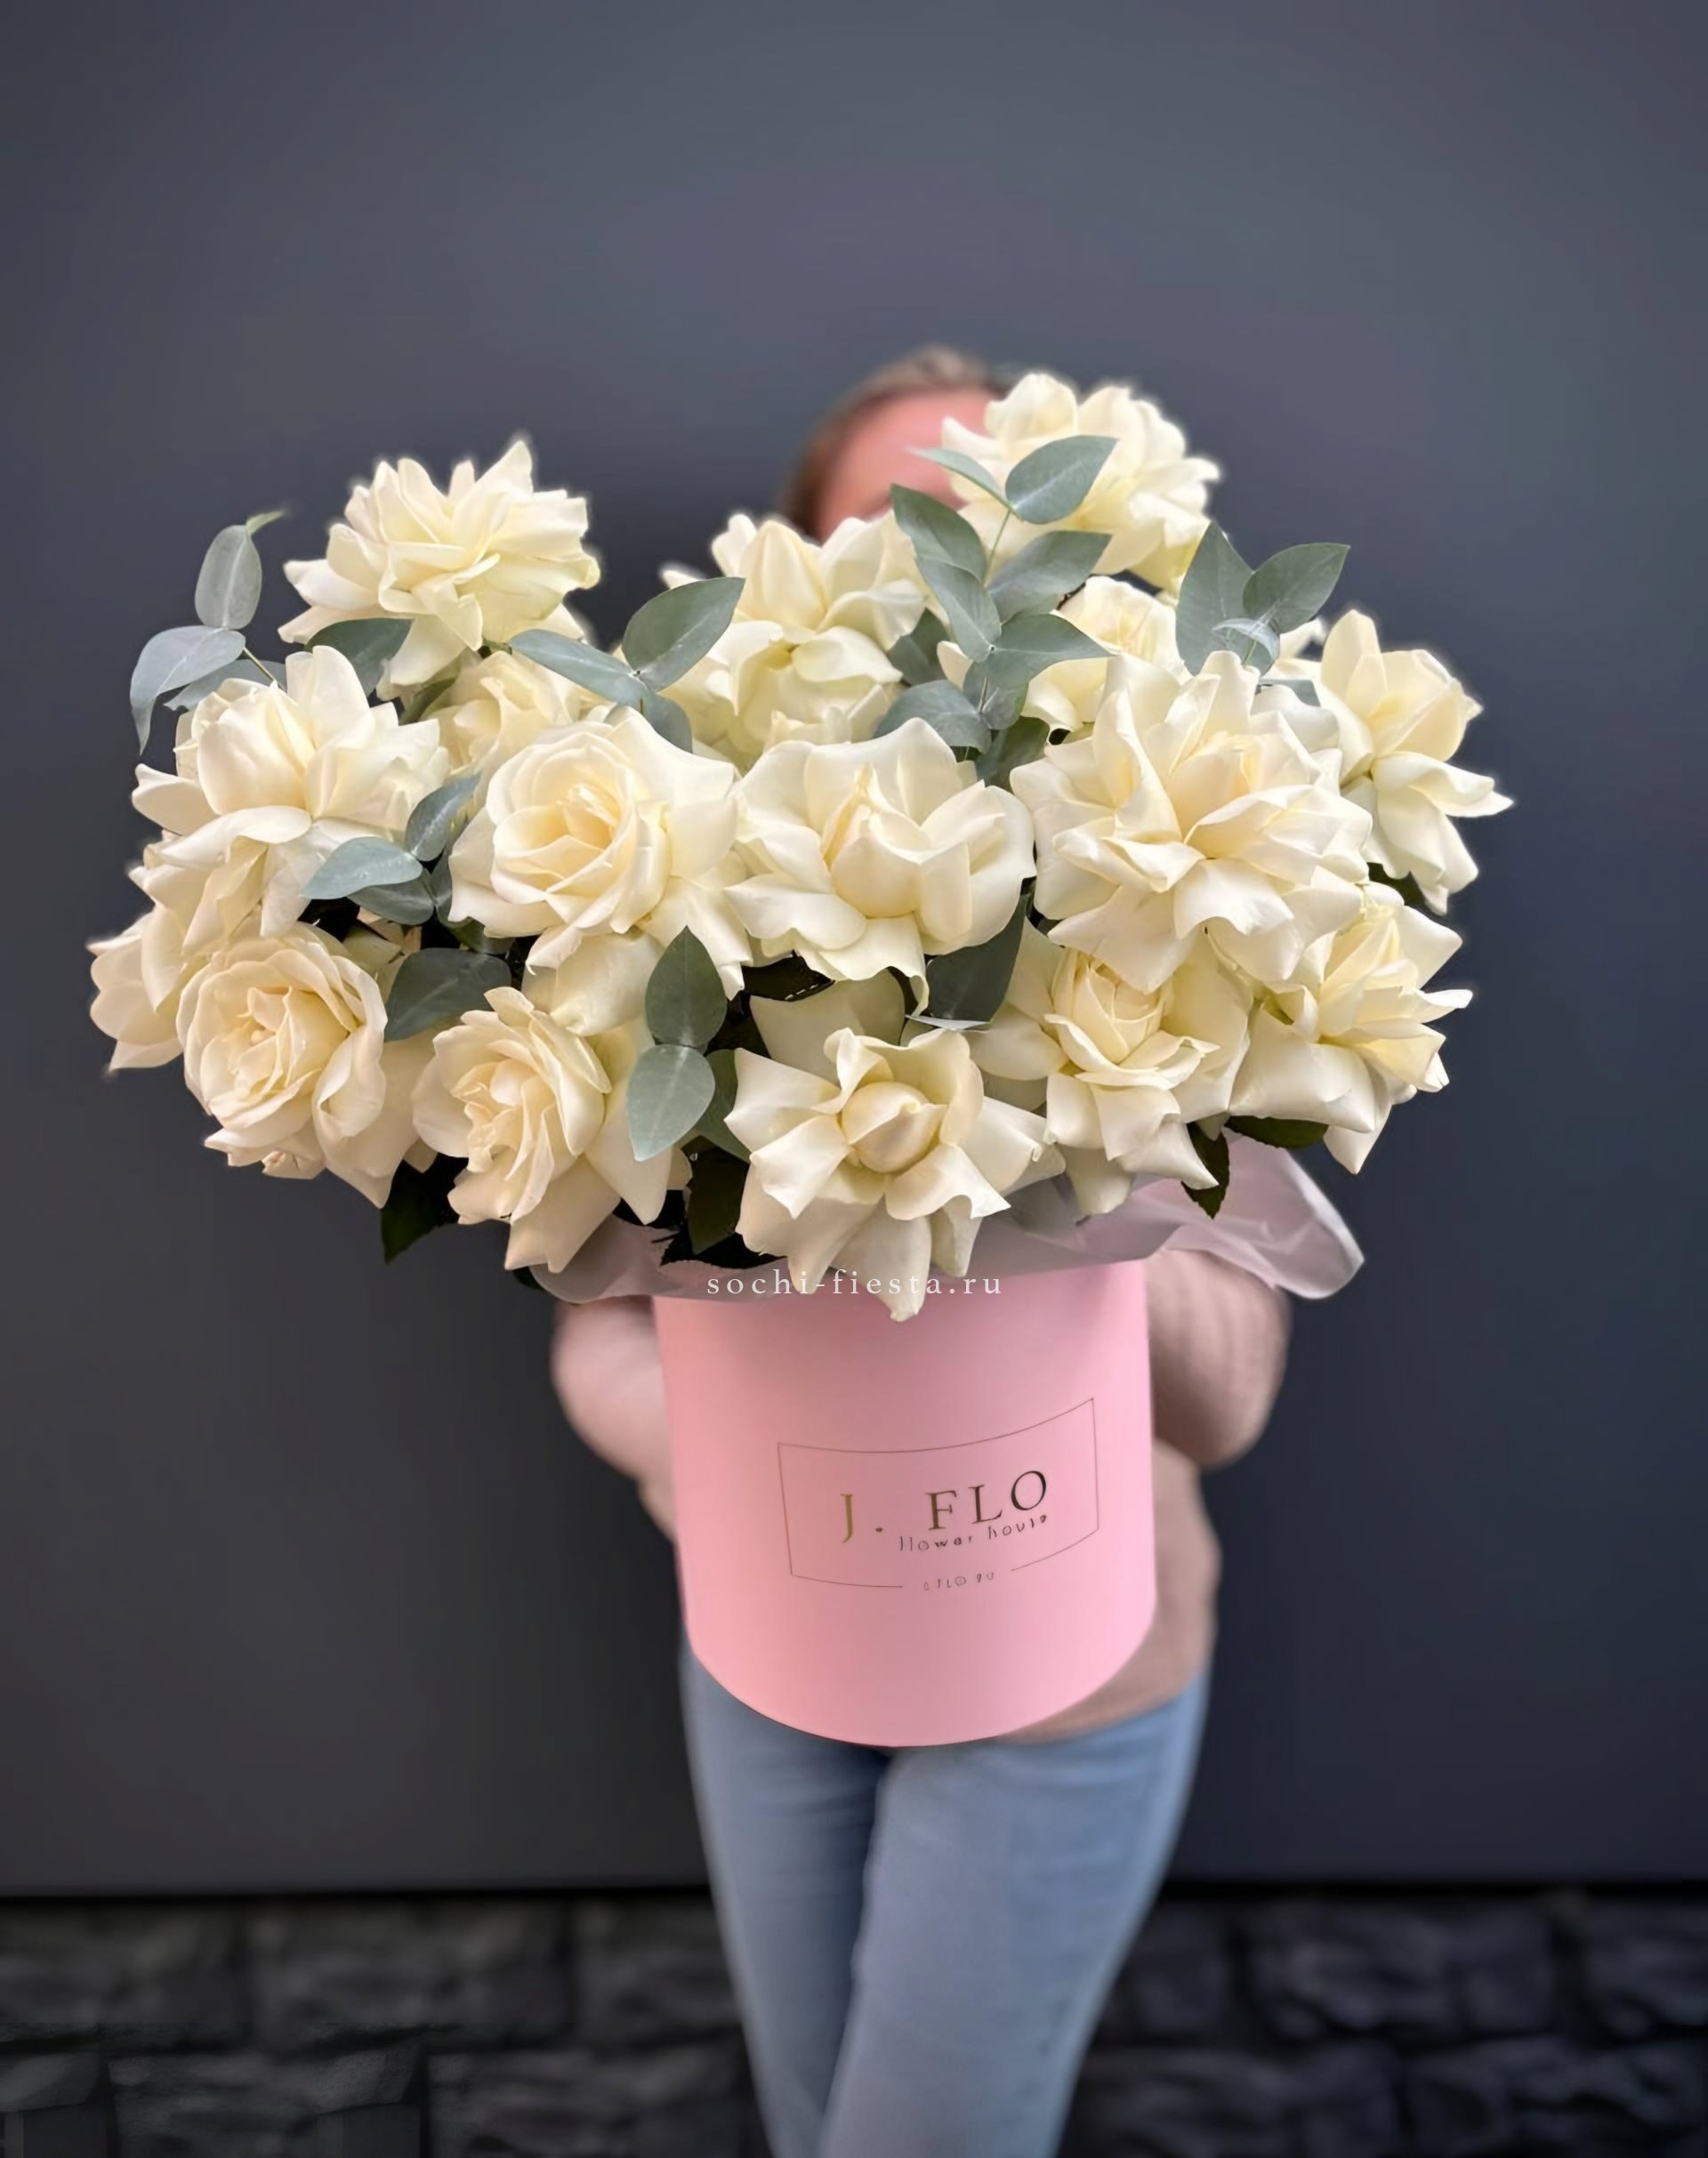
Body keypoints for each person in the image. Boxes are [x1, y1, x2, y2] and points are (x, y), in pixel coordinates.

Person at [552, 348, 1292, 2158]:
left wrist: (1056, 1176)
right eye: (887, 528)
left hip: (1069, 1672)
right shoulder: (680, 944)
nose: (944, 566)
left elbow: (1230, 1397)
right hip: (768, 1656)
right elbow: (592, 1336)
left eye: (990, 522)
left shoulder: (1179, 924)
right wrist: (770, 1455)